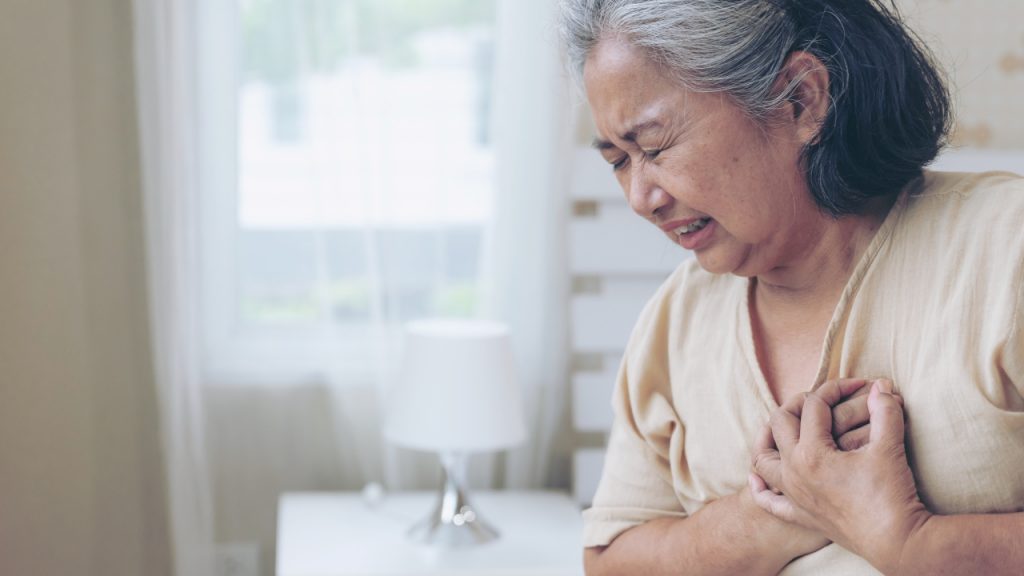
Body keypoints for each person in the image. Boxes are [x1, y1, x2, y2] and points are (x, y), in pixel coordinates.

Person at [558, 0, 1024, 574]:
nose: (640, 198)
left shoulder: (1007, 250)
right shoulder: (677, 317)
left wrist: (912, 542)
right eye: (619, 161)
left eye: (653, 147)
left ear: (800, 99)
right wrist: (775, 511)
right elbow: (610, 558)